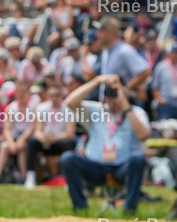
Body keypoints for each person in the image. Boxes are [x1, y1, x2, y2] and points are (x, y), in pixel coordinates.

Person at [61, 74, 149, 214]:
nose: (112, 99)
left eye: (116, 94)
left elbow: (143, 135)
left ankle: (129, 210)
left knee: (138, 159)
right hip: (95, 167)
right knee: (68, 159)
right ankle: (80, 208)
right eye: (109, 95)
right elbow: (70, 102)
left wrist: (124, 105)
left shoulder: (136, 112)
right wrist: (97, 81)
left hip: (122, 167)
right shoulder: (96, 110)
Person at [24, 83, 76, 188]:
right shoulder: (42, 108)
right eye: (51, 95)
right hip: (46, 141)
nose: (54, 98)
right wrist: (43, 137)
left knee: (70, 144)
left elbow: (70, 133)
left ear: (61, 95)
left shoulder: (68, 109)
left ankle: (67, 178)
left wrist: (55, 138)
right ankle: (30, 177)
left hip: (60, 141)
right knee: (32, 143)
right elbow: (37, 130)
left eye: (56, 95)